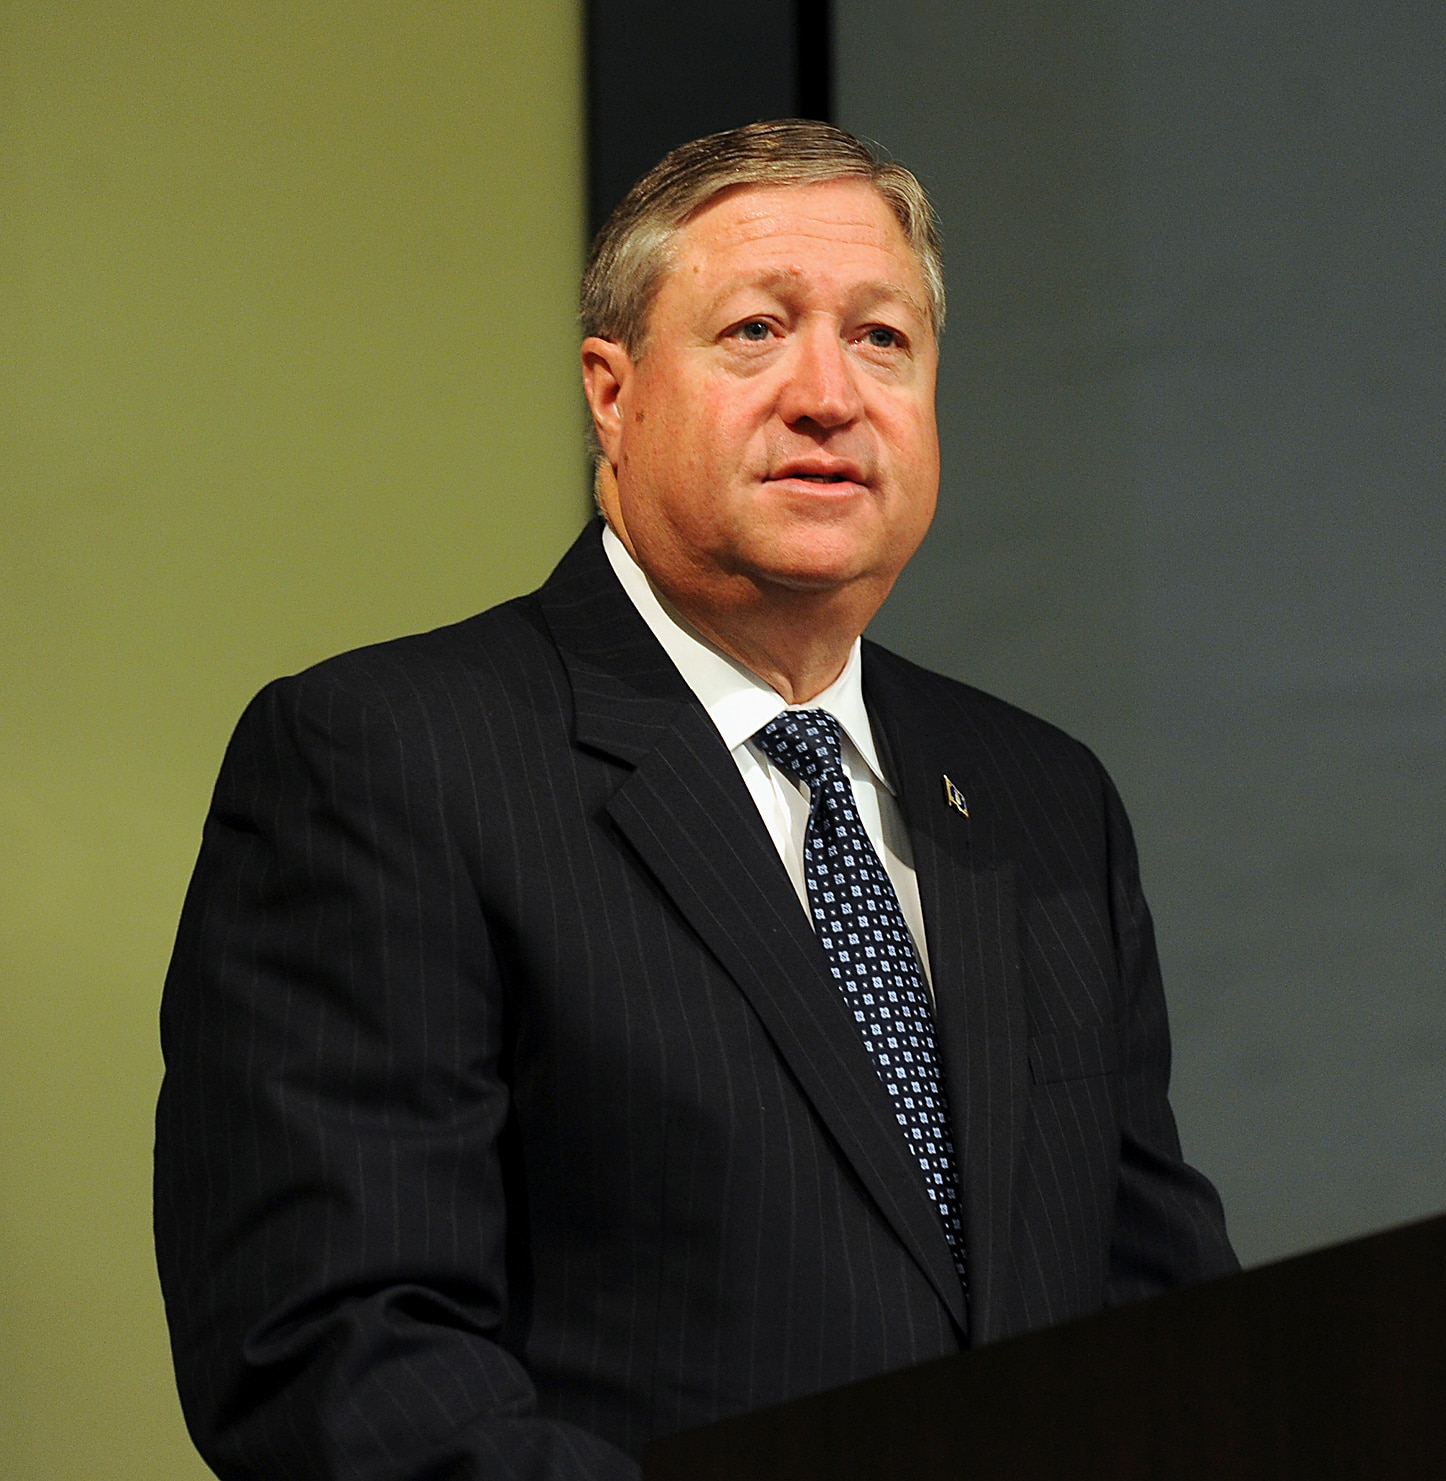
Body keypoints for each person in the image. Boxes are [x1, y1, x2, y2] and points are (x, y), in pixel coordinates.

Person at [155, 120, 1235, 1481]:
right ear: (613, 393)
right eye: (755, 331)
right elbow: (335, 1354)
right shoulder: (386, 761)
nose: (830, 395)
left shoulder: (1042, 798)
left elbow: (1169, 1327)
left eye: (882, 338)